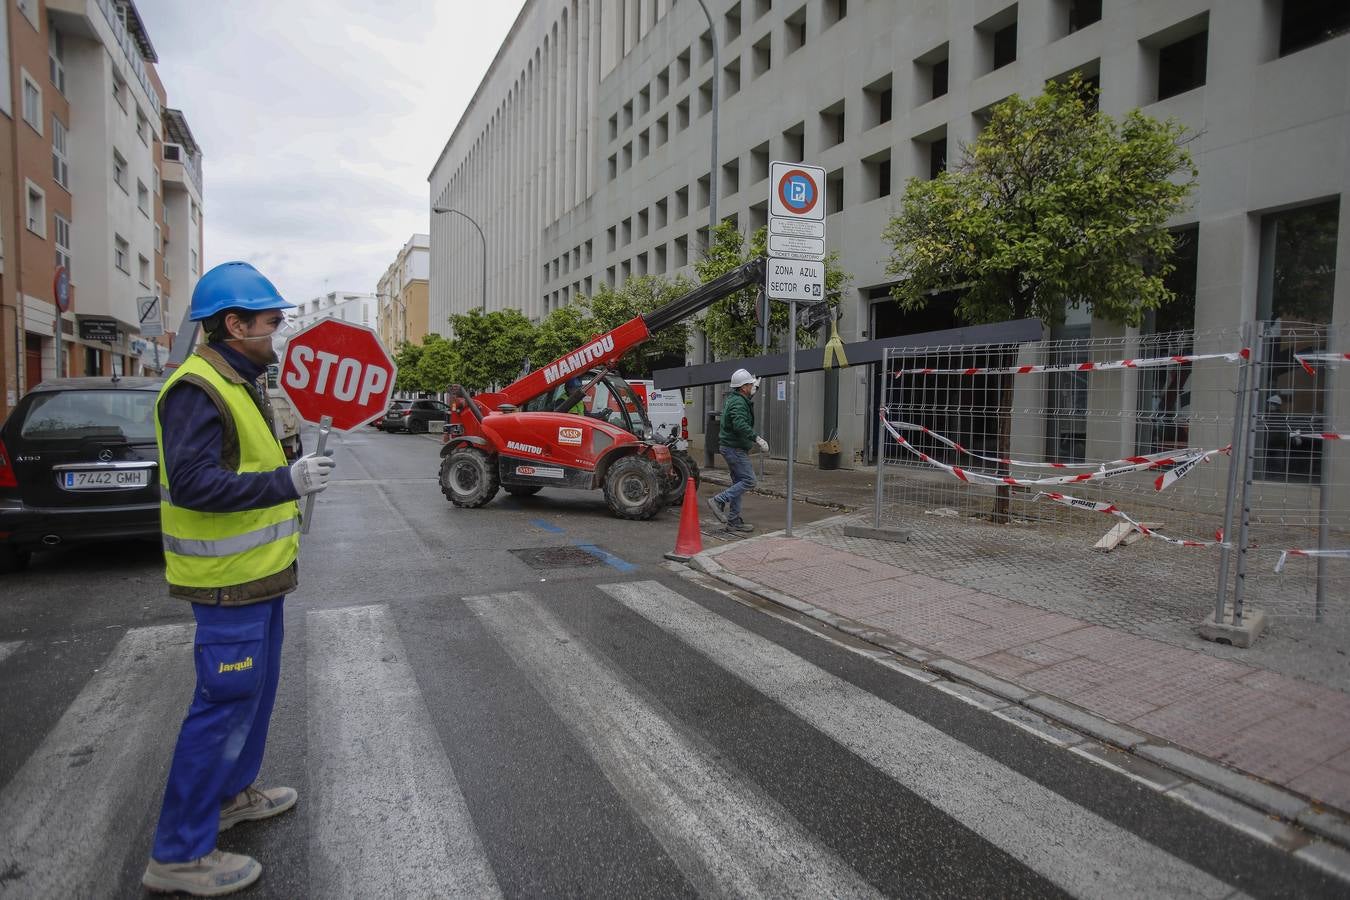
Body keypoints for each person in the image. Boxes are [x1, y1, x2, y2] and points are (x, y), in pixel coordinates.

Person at [142, 262, 336, 897]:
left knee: (250, 699)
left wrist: (295, 464)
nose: (276, 336)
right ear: (234, 324)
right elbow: (197, 484)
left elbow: (253, 457)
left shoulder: (241, 380)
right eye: (270, 324)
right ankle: (177, 855)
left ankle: (231, 797)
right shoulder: (196, 389)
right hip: (226, 584)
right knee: (221, 707)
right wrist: (288, 481)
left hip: (260, 578)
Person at [706, 368, 769, 532]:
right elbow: (740, 424)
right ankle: (718, 500)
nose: (752, 386)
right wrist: (757, 438)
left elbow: (740, 408)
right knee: (749, 481)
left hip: (730, 447)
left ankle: (733, 521)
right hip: (734, 448)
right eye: (750, 384)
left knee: (738, 483)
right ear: (743, 387)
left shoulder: (734, 398)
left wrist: (755, 390)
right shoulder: (739, 402)